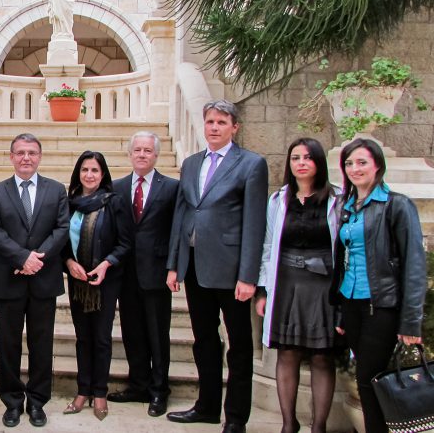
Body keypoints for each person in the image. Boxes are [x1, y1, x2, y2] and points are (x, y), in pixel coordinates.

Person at [166, 100, 268, 433]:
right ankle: (207, 407)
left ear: (234, 127)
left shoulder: (251, 164)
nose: (213, 127)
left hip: (232, 272)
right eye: (209, 121)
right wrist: (174, 265)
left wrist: (249, 276)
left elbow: (255, 223)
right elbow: (182, 214)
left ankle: (236, 416)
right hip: (195, 268)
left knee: (238, 347)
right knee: (204, 341)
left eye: (221, 122)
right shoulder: (191, 163)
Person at [331, 138, 427, 433]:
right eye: (349, 163)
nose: (354, 169)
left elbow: (414, 265)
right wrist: (340, 313)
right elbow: (343, 261)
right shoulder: (347, 206)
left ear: (377, 166)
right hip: (352, 303)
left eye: (362, 162)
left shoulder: (396, 205)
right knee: (366, 379)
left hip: (381, 306)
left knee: (368, 378)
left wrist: (411, 322)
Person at [0, 133, 70, 428]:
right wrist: (21, 258)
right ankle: (12, 402)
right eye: (20, 152)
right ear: (11, 157)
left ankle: (37, 402)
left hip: (43, 280)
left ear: (40, 156)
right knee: (8, 345)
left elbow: (61, 229)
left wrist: (37, 259)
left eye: (32, 152)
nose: (26, 158)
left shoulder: (57, 190)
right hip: (8, 279)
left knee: (41, 345)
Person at [255, 138, 341, 433]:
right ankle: (288, 424)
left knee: (321, 356)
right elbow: (268, 245)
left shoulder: (337, 200)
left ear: (319, 162)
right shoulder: (278, 200)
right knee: (287, 353)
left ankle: (319, 426)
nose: (301, 163)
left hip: (323, 287)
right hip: (286, 284)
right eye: (295, 158)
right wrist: (263, 289)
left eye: (307, 157)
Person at [107, 132, 178, 417]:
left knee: (157, 335)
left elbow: (176, 231)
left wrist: (174, 267)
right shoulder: (117, 187)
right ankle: (138, 384)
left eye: (147, 150)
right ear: (129, 153)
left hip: (157, 273)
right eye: (137, 150)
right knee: (132, 332)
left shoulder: (172, 187)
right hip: (126, 274)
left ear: (156, 155)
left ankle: (159, 390)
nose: (142, 154)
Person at [61, 151, 132, 421]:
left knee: (101, 338)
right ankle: (82, 391)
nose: (89, 175)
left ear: (103, 175)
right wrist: (68, 262)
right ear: (78, 173)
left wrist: (106, 265)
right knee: (83, 338)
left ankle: (99, 392)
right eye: (84, 170)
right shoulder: (70, 204)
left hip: (105, 281)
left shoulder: (114, 203)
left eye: (94, 170)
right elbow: (62, 242)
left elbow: (125, 243)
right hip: (78, 281)